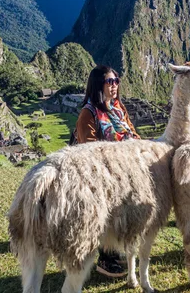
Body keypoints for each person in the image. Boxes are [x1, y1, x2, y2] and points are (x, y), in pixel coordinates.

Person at [74, 64, 140, 278]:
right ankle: (105, 259)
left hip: (125, 170)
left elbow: (132, 132)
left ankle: (114, 251)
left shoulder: (119, 108)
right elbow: (89, 149)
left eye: (116, 80)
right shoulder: (89, 113)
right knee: (105, 216)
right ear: (97, 85)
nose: (114, 85)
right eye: (109, 81)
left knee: (121, 214)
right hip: (100, 174)